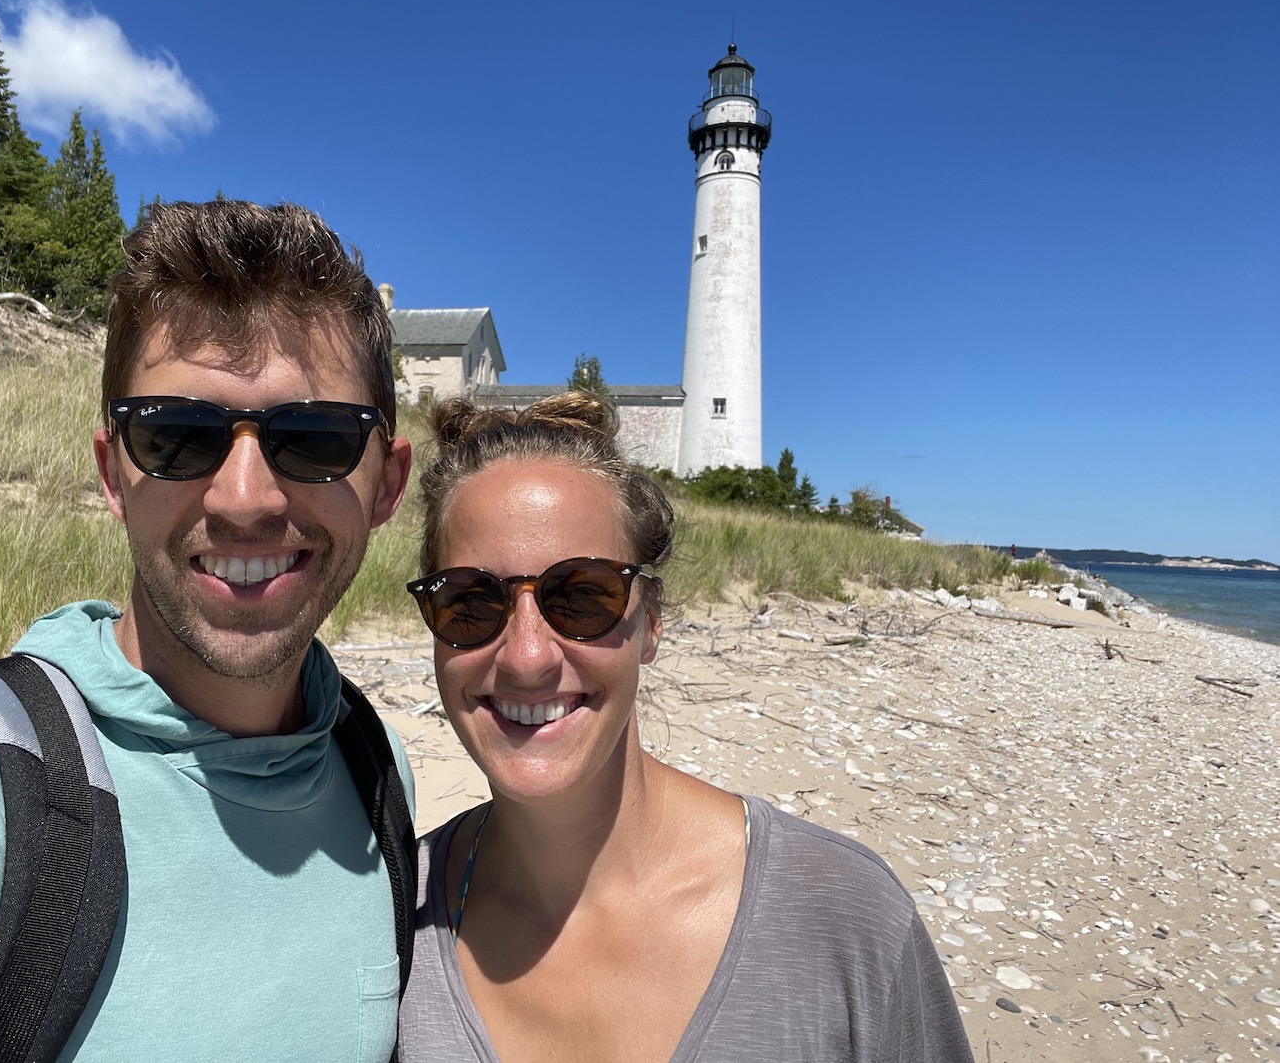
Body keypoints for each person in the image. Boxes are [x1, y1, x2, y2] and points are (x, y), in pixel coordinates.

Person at [0, 200, 415, 1060]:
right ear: (114, 473)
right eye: (177, 436)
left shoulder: (378, 772)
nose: (245, 499)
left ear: (387, 484)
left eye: (315, 439)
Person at [397, 392, 973, 1062]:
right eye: (470, 602)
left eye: (582, 595)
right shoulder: (392, 919)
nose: (527, 655)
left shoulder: (844, 919)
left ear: (651, 623)